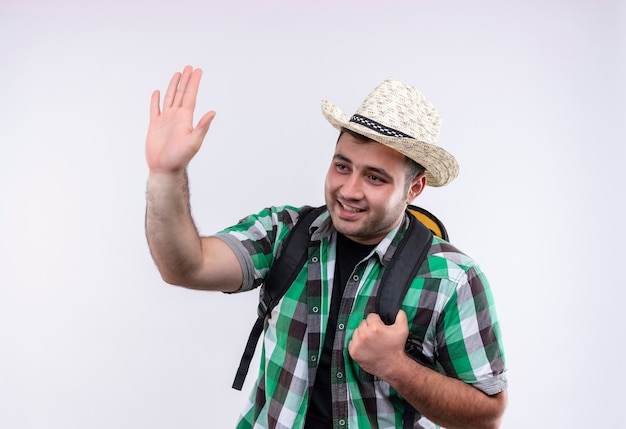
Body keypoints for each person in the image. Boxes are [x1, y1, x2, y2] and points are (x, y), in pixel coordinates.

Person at [145, 65, 508, 429]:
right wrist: (166, 174)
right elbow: (185, 267)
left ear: (414, 189)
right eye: (342, 166)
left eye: (374, 177)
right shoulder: (283, 231)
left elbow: (486, 416)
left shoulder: (453, 280)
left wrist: (395, 367)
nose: (349, 190)